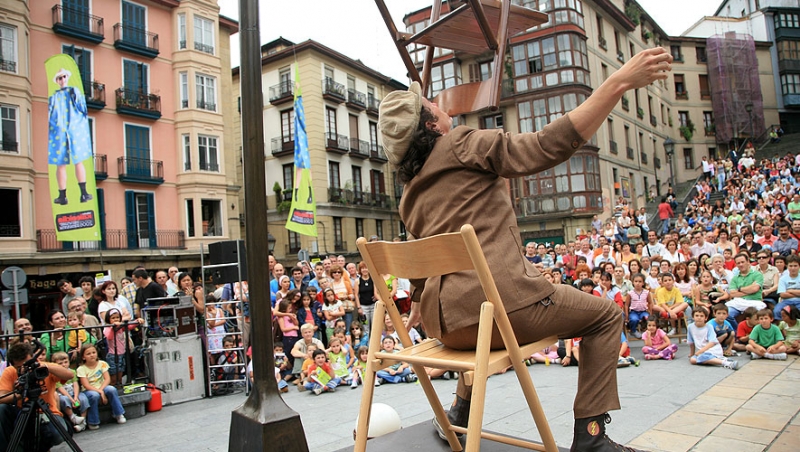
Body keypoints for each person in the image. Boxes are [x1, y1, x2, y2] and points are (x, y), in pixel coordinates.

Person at [380, 45, 673, 450]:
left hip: (448, 327)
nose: (437, 102)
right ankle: (591, 437)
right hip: (501, 312)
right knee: (605, 316)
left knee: (477, 305)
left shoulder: (409, 193)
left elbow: (419, 263)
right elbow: (544, 146)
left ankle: (460, 412)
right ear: (431, 126)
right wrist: (618, 83)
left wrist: (417, 302)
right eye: (430, 103)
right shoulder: (461, 143)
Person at [0, 342, 76, 451]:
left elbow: (70, 375)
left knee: (56, 434)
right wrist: (20, 393)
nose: (23, 369)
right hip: (22, 412)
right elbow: (1, 397)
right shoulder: (10, 371)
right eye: (19, 367)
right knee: (1, 409)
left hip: (47, 412)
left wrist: (44, 367)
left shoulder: (44, 367)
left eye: (25, 365)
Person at [48, 67, 93, 206]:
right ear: (57, 81)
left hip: (70, 129)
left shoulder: (73, 92)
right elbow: (82, 108)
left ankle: (83, 193)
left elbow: (81, 108)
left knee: (77, 161)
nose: (62, 80)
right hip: (63, 129)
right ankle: (63, 196)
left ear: (67, 77)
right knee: (61, 164)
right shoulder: (55, 96)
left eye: (63, 77)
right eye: (59, 78)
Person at [52, 351, 89, 432]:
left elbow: (75, 384)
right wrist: (71, 399)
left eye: (65, 362)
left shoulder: (72, 372)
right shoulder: (55, 374)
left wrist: (75, 397)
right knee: (64, 400)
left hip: (73, 393)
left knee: (83, 398)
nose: (64, 365)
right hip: (63, 394)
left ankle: (83, 422)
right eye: (60, 363)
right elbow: (60, 388)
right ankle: (73, 418)